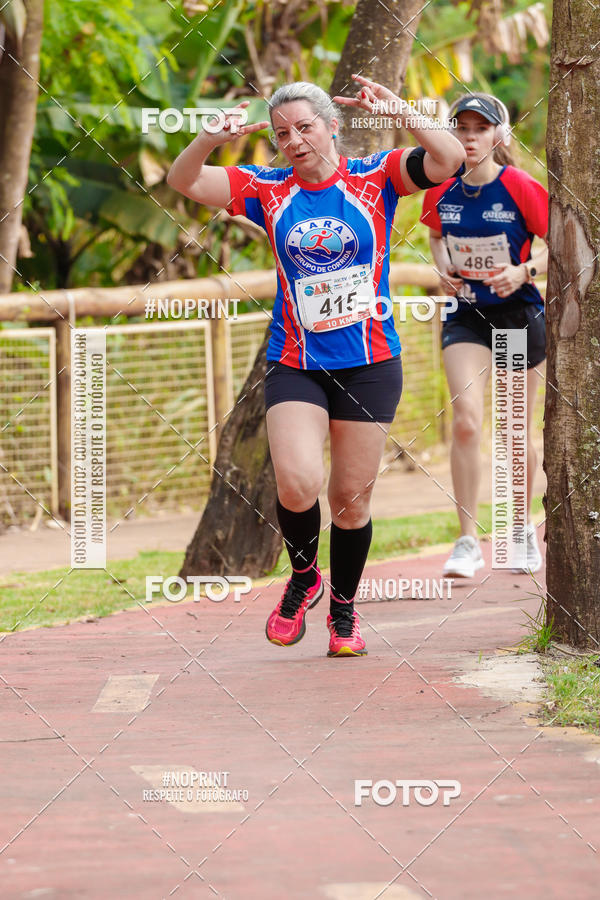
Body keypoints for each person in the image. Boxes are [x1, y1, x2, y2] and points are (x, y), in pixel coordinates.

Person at [168, 77, 465, 655]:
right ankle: (305, 576)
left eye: (304, 127)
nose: (294, 140)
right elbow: (183, 181)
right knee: (298, 482)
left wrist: (402, 109)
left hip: (370, 363)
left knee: (352, 500)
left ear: (332, 127)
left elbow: (448, 157)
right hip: (295, 361)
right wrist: (207, 138)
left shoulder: (374, 176)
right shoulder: (265, 186)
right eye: (282, 133)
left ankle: (345, 612)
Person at [420, 93, 549, 578]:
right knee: (468, 421)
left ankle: (519, 531)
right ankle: (467, 540)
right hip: (467, 314)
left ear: (499, 135)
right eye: (461, 128)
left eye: (480, 128)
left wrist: (521, 271)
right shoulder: (441, 188)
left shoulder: (519, 186)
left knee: (515, 428)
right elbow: (435, 236)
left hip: (516, 314)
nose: (470, 137)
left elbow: (560, 244)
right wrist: (443, 270)